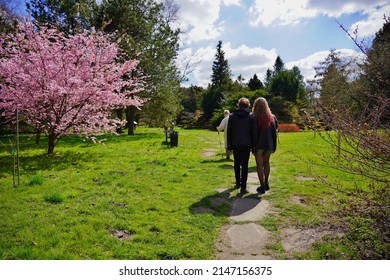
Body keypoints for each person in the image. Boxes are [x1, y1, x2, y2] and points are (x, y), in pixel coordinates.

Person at [227, 97, 257, 195]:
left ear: (238, 105)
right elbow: (254, 132)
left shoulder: (232, 116)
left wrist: (229, 144)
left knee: (236, 163)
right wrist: (254, 146)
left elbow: (229, 131)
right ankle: (243, 187)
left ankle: (237, 183)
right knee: (245, 165)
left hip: (235, 143)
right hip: (247, 144)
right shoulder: (251, 116)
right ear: (248, 105)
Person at [252, 97, 278, 194]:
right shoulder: (272, 117)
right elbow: (274, 133)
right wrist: (274, 146)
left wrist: (252, 147)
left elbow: (253, 133)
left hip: (258, 144)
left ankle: (262, 186)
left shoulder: (253, 117)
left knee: (259, 165)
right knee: (266, 163)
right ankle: (266, 182)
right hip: (269, 144)